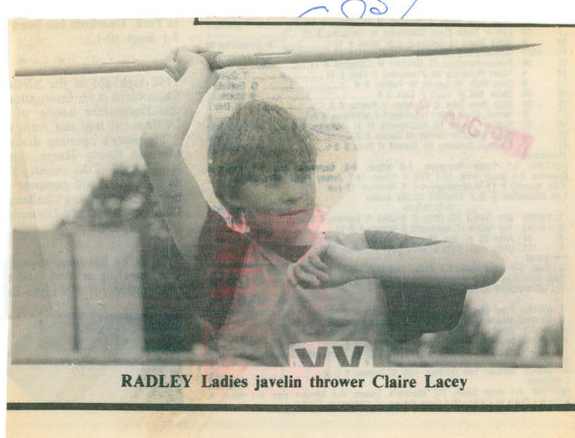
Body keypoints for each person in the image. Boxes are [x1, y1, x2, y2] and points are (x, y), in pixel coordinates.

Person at [140, 48, 505, 366]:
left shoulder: (363, 252)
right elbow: (158, 145)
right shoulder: (225, 257)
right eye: (270, 178)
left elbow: (488, 265)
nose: (293, 192)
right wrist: (199, 75)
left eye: (301, 173)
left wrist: (361, 265)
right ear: (234, 195)